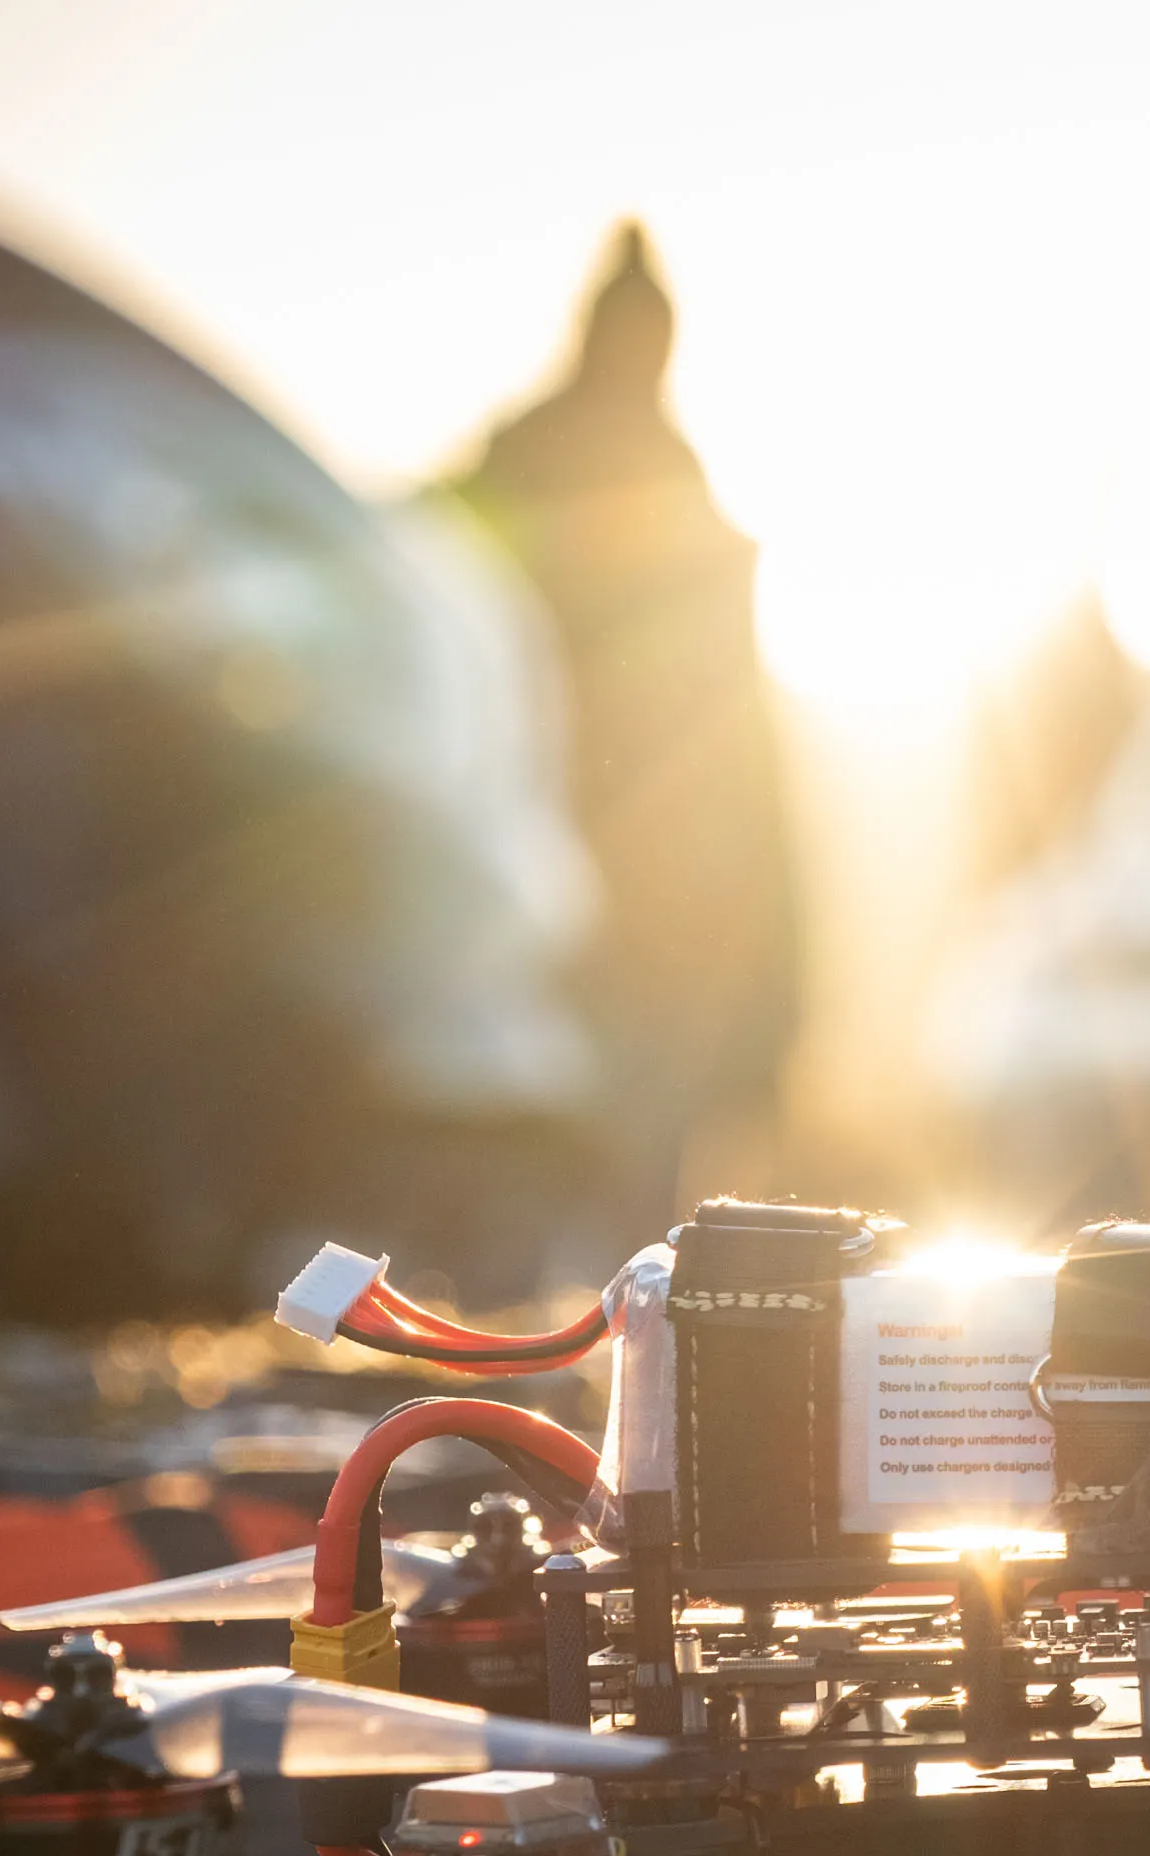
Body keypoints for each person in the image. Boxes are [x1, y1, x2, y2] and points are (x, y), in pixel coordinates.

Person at [457, 223, 801, 1222]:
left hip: (650, 889)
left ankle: (596, 1348)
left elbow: (735, 734)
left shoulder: (641, 475)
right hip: (578, 863)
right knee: (578, 1144)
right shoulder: (544, 468)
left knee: (616, 1156)